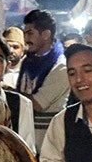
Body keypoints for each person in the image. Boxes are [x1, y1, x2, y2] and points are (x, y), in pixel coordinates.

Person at [18, 9, 70, 138]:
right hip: (26, 136)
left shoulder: (61, 67)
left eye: (30, 33)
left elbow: (36, 104)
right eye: (25, 33)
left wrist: (7, 93)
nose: (26, 39)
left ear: (46, 34)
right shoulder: (28, 61)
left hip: (48, 140)